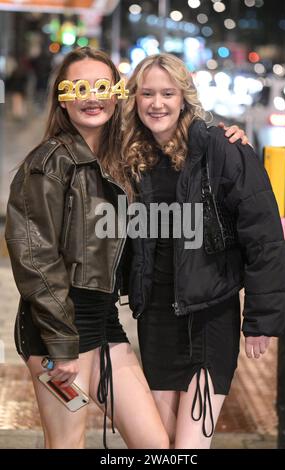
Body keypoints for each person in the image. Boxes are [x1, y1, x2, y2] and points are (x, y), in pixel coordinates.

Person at [5, 46, 248, 450]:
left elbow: (177, 126)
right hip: (56, 332)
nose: (91, 96)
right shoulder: (48, 164)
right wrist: (62, 345)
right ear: (63, 98)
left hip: (105, 328)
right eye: (79, 87)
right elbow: (35, 259)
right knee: (66, 443)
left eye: (102, 86)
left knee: (155, 444)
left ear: (119, 94)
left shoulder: (125, 159)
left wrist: (223, 134)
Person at [122, 53, 285, 449]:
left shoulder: (220, 148)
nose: (157, 103)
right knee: (157, 445)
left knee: (189, 447)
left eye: (167, 93)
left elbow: (263, 235)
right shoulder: (131, 154)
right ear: (134, 98)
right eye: (147, 93)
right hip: (157, 317)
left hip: (210, 315)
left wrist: (262, 318)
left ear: (184, 97)